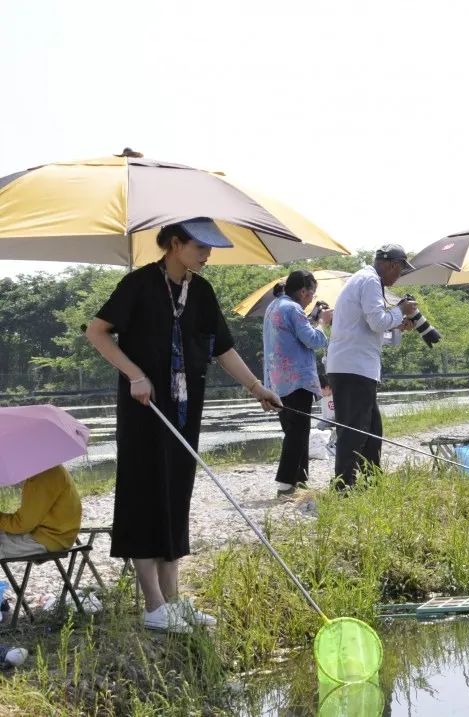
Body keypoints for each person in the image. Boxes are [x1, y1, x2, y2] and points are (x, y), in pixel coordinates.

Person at [85, 218, 281, 634]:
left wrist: (256, 387)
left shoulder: (202, 291)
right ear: (174, 244)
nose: (207, 255)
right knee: (143, 495)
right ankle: (154, 605)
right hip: (144, 407)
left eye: (210, 249)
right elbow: (97, 332)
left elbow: (222, 347)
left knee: (175, 493)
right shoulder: (138, 285)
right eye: (200, 247)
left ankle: (174, 601)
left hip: (185, 409)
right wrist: (134, 373)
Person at [325, 245, 417, 491]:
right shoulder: (370, 281)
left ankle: (371, 482)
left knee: (372, 429)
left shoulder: (363, 280)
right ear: (392, 265)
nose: (398, 279)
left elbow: (368, 331)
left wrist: (397, 325)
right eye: (399, 272)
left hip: (352, 365)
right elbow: (377, 322)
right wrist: (400, 311)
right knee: (354, 430)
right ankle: (343, 486)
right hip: (353, 368)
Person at [263, 270, 333, 497]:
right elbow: (314, 340)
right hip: (297, 380)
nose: (312, 297)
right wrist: (322, 322)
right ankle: (285, 484)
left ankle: (300, 480)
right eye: (312, 292)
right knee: (298, 433)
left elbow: (295, 334)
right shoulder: (292, 309)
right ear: (303, 291)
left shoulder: (274, 307)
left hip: (277, 381)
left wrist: (311, 318)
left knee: (294, 431)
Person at [0, 465, 81, 558]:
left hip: (49, 538)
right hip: (59, 535)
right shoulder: (50, 468)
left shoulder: (42, 476)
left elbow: (22, 524)